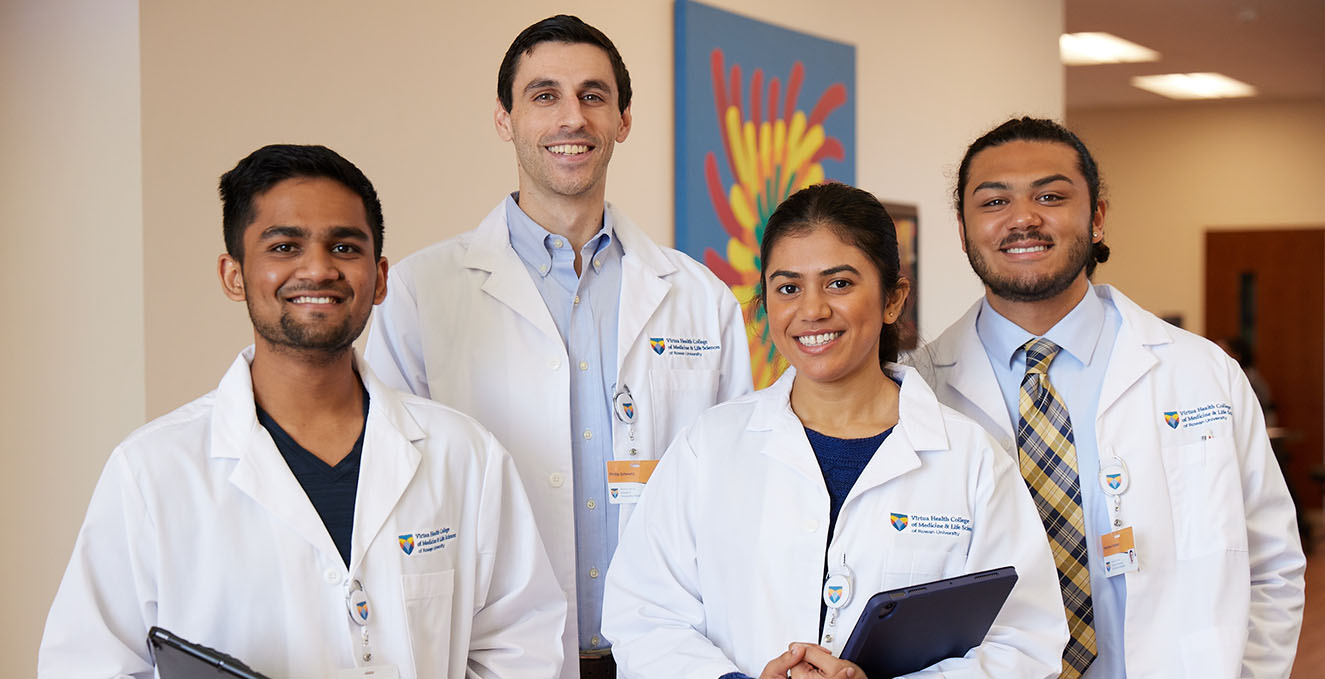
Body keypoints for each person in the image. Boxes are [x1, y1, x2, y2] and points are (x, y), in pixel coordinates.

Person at [38, 145, 566, 678]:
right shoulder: (152, 470)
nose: (318, 269)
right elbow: (87, 665)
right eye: (285, 246)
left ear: (379, 279)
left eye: (344, 246)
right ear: (234, 276)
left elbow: (522, 646)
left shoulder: (465, 456)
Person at [364, 15, 752, 677]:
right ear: (504, 118)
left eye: (592, 96)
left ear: (623, 119)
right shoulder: (419, 293)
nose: (570, 117)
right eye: (544, 96)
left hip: (670, 652)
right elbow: (390, 490)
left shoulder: (698, 296)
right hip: (495, 656)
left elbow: (737, 485)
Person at [602, 183, 1067, 678]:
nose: (812, 310)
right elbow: (645, 615)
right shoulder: (708, 446)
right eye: (787, 288)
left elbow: (1023, 642)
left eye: (839, 283)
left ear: (893, 300)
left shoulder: (970, 458)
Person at [911, 117, 1305, 678]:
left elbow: (1272, 566)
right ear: (963, 228)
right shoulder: (916, 392)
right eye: (994, 201)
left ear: (1096, 218)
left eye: (1050, 196)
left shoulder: (1202, 374)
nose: (1023, 218)